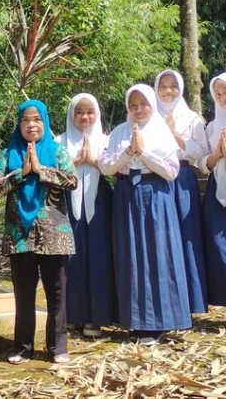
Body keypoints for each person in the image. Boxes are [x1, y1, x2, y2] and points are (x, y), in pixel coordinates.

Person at [99, 83, 189, 345]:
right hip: (126, 195)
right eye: (133, 105)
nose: (138, 109)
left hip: (156, 196)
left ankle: (159, 323)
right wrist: (129, 151)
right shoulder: (118, 132)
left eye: (143, 104)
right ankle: (135, 322)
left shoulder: (161, 132)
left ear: (152, 104)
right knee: (130, 255)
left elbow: (171, 171)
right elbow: (105, 167)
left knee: (157, 253)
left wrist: (143, 151)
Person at [0, 100, 77, 365]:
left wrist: (41, 171)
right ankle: (23, 347)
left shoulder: (58, 150)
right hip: (19, 236)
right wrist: (22, 173)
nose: (31, 125)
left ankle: (57, 347)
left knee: (57, 293)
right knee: (24, 294)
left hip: (55, 234)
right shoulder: (8, 154)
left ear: (45, 122)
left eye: (37, 120)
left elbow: (72, 180)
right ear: (19, 124)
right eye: (26, 120)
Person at [56, 93, 116, 338]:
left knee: (99, 258)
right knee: (70, 259)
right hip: (67, 205)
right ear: (72, 114)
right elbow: (53, 173)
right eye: (79, 111)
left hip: (99, 203)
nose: (84, 116)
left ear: (97, 114)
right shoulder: (59, 142)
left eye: (89, 111)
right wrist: (76, 161)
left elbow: (116, 169)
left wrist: (93, 161)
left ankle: (96, 318)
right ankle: (72, 316)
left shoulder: (107, 140)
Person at [154, 69, 209, 314]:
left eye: (172, 86)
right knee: (162, 237)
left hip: (183, 178)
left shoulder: (192, 118)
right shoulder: (148, 113)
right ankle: (165, 301)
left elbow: (200, 153)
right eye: (163, 86)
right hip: (157, 178)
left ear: (181, 88)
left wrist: (175, 134)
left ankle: (191, 301)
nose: (167, 91)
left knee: (186, 235)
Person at [198, 73, 226, 307]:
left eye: (225, 92)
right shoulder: (212, 127)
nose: (222, 97)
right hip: (218, 190)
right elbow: (203, 164)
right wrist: (217, 154)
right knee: (218, 247)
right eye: (217, 93)